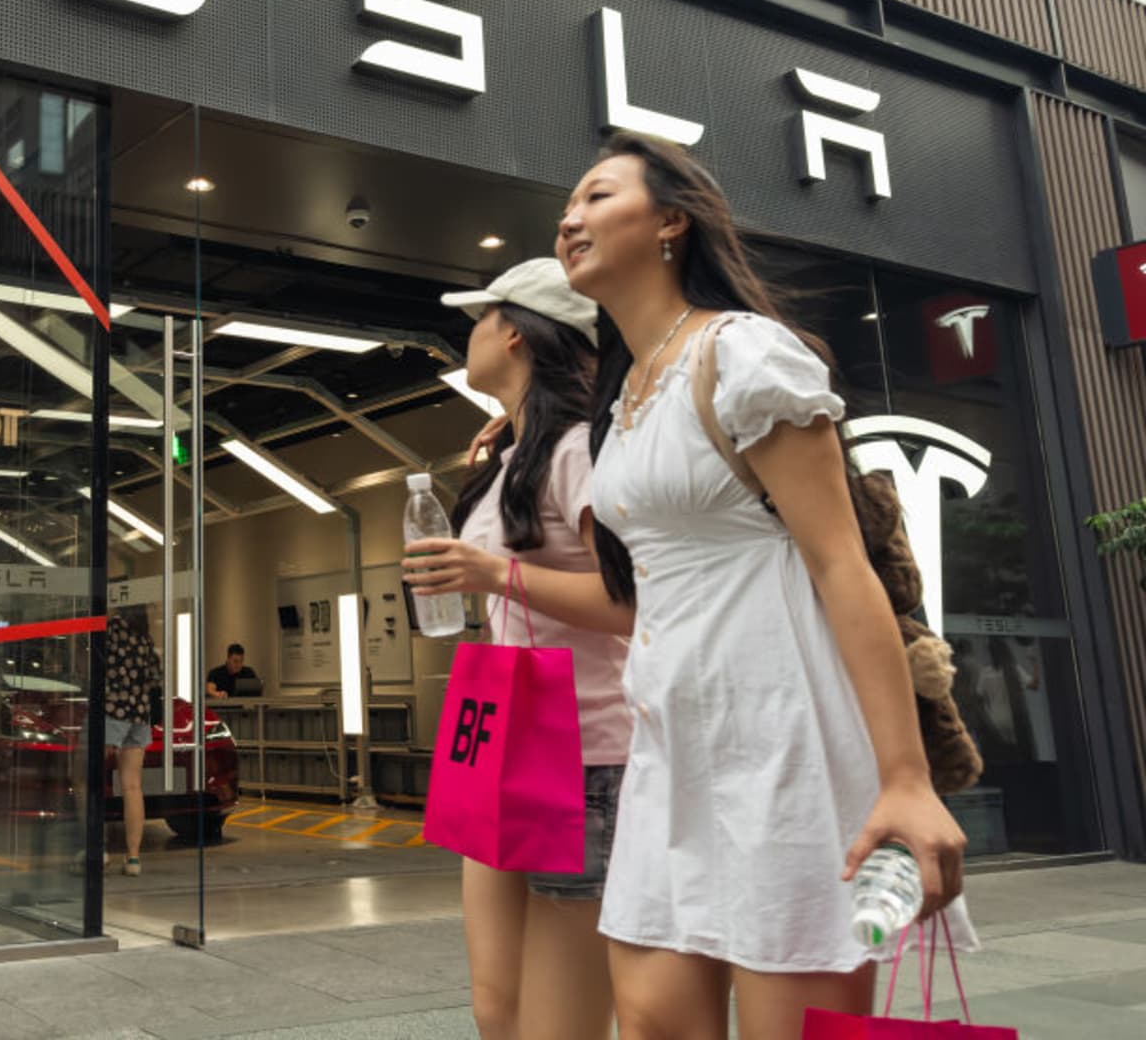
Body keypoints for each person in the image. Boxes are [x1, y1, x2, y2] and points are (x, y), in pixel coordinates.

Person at [405, 131, 970, 1039]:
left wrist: (904, 777)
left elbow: (838, 564)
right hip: (667, 739)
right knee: (651, 1016)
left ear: (672, 221)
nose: (569, 219)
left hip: (782, 728)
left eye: (597, 197)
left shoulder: (743, 354)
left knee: (793, 1021)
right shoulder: (623, 400)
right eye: (567, 206)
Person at [431, 257, 634, 1040]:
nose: (471, 334)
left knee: (558, 1022)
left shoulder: (579, 450)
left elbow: (630, 604)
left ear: (514, 333)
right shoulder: (514, 456)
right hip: (503, 737)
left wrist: (495, 573)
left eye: (480, 318)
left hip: (581, 749)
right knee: (497, 1007)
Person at [103, 609, 162, 877]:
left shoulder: (112, 629)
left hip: (112, 712)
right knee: (132, 786)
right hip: (139, 715)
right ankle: (134, 857)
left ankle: (98, 849)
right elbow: (155, 677)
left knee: (92, 780)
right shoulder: (145, 638)